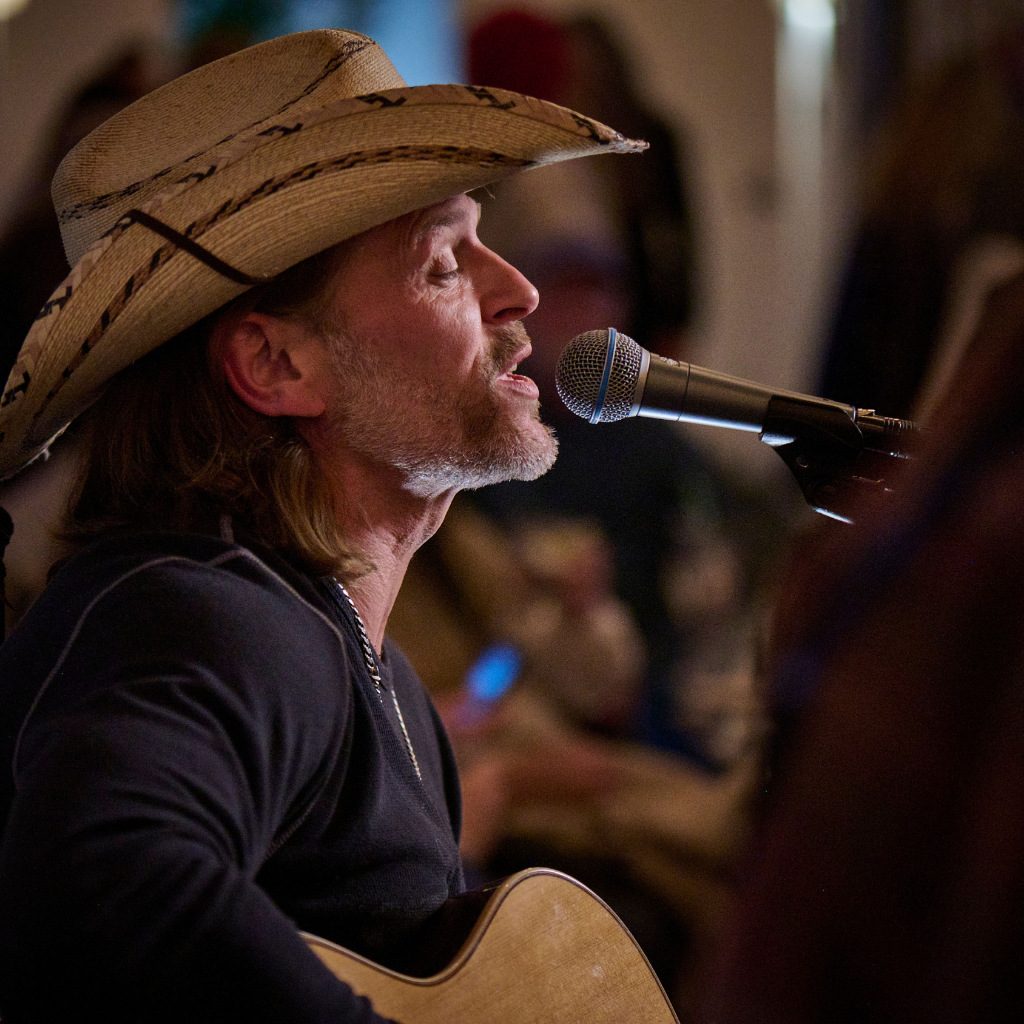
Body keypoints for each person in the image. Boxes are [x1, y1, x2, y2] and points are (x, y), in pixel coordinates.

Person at [0, 28, 644, 1024]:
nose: (518, 290)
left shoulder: (351, 660)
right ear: (276, 365)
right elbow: (105, 877)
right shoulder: (206, 611)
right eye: (443, 263)